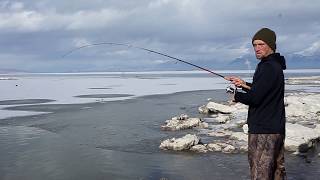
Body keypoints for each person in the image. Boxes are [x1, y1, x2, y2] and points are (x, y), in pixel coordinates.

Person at [225, 28, 287, 180]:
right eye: (254, 45)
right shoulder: (274, 65)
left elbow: (255, 98)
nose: (257, 48)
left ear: (271, 45)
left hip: (263, 131)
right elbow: (263, 89)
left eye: (261, 44)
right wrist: (244, 84)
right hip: (274, 128)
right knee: (276, 173)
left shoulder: (267, 67)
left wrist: (236, 95)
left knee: (261, 174)